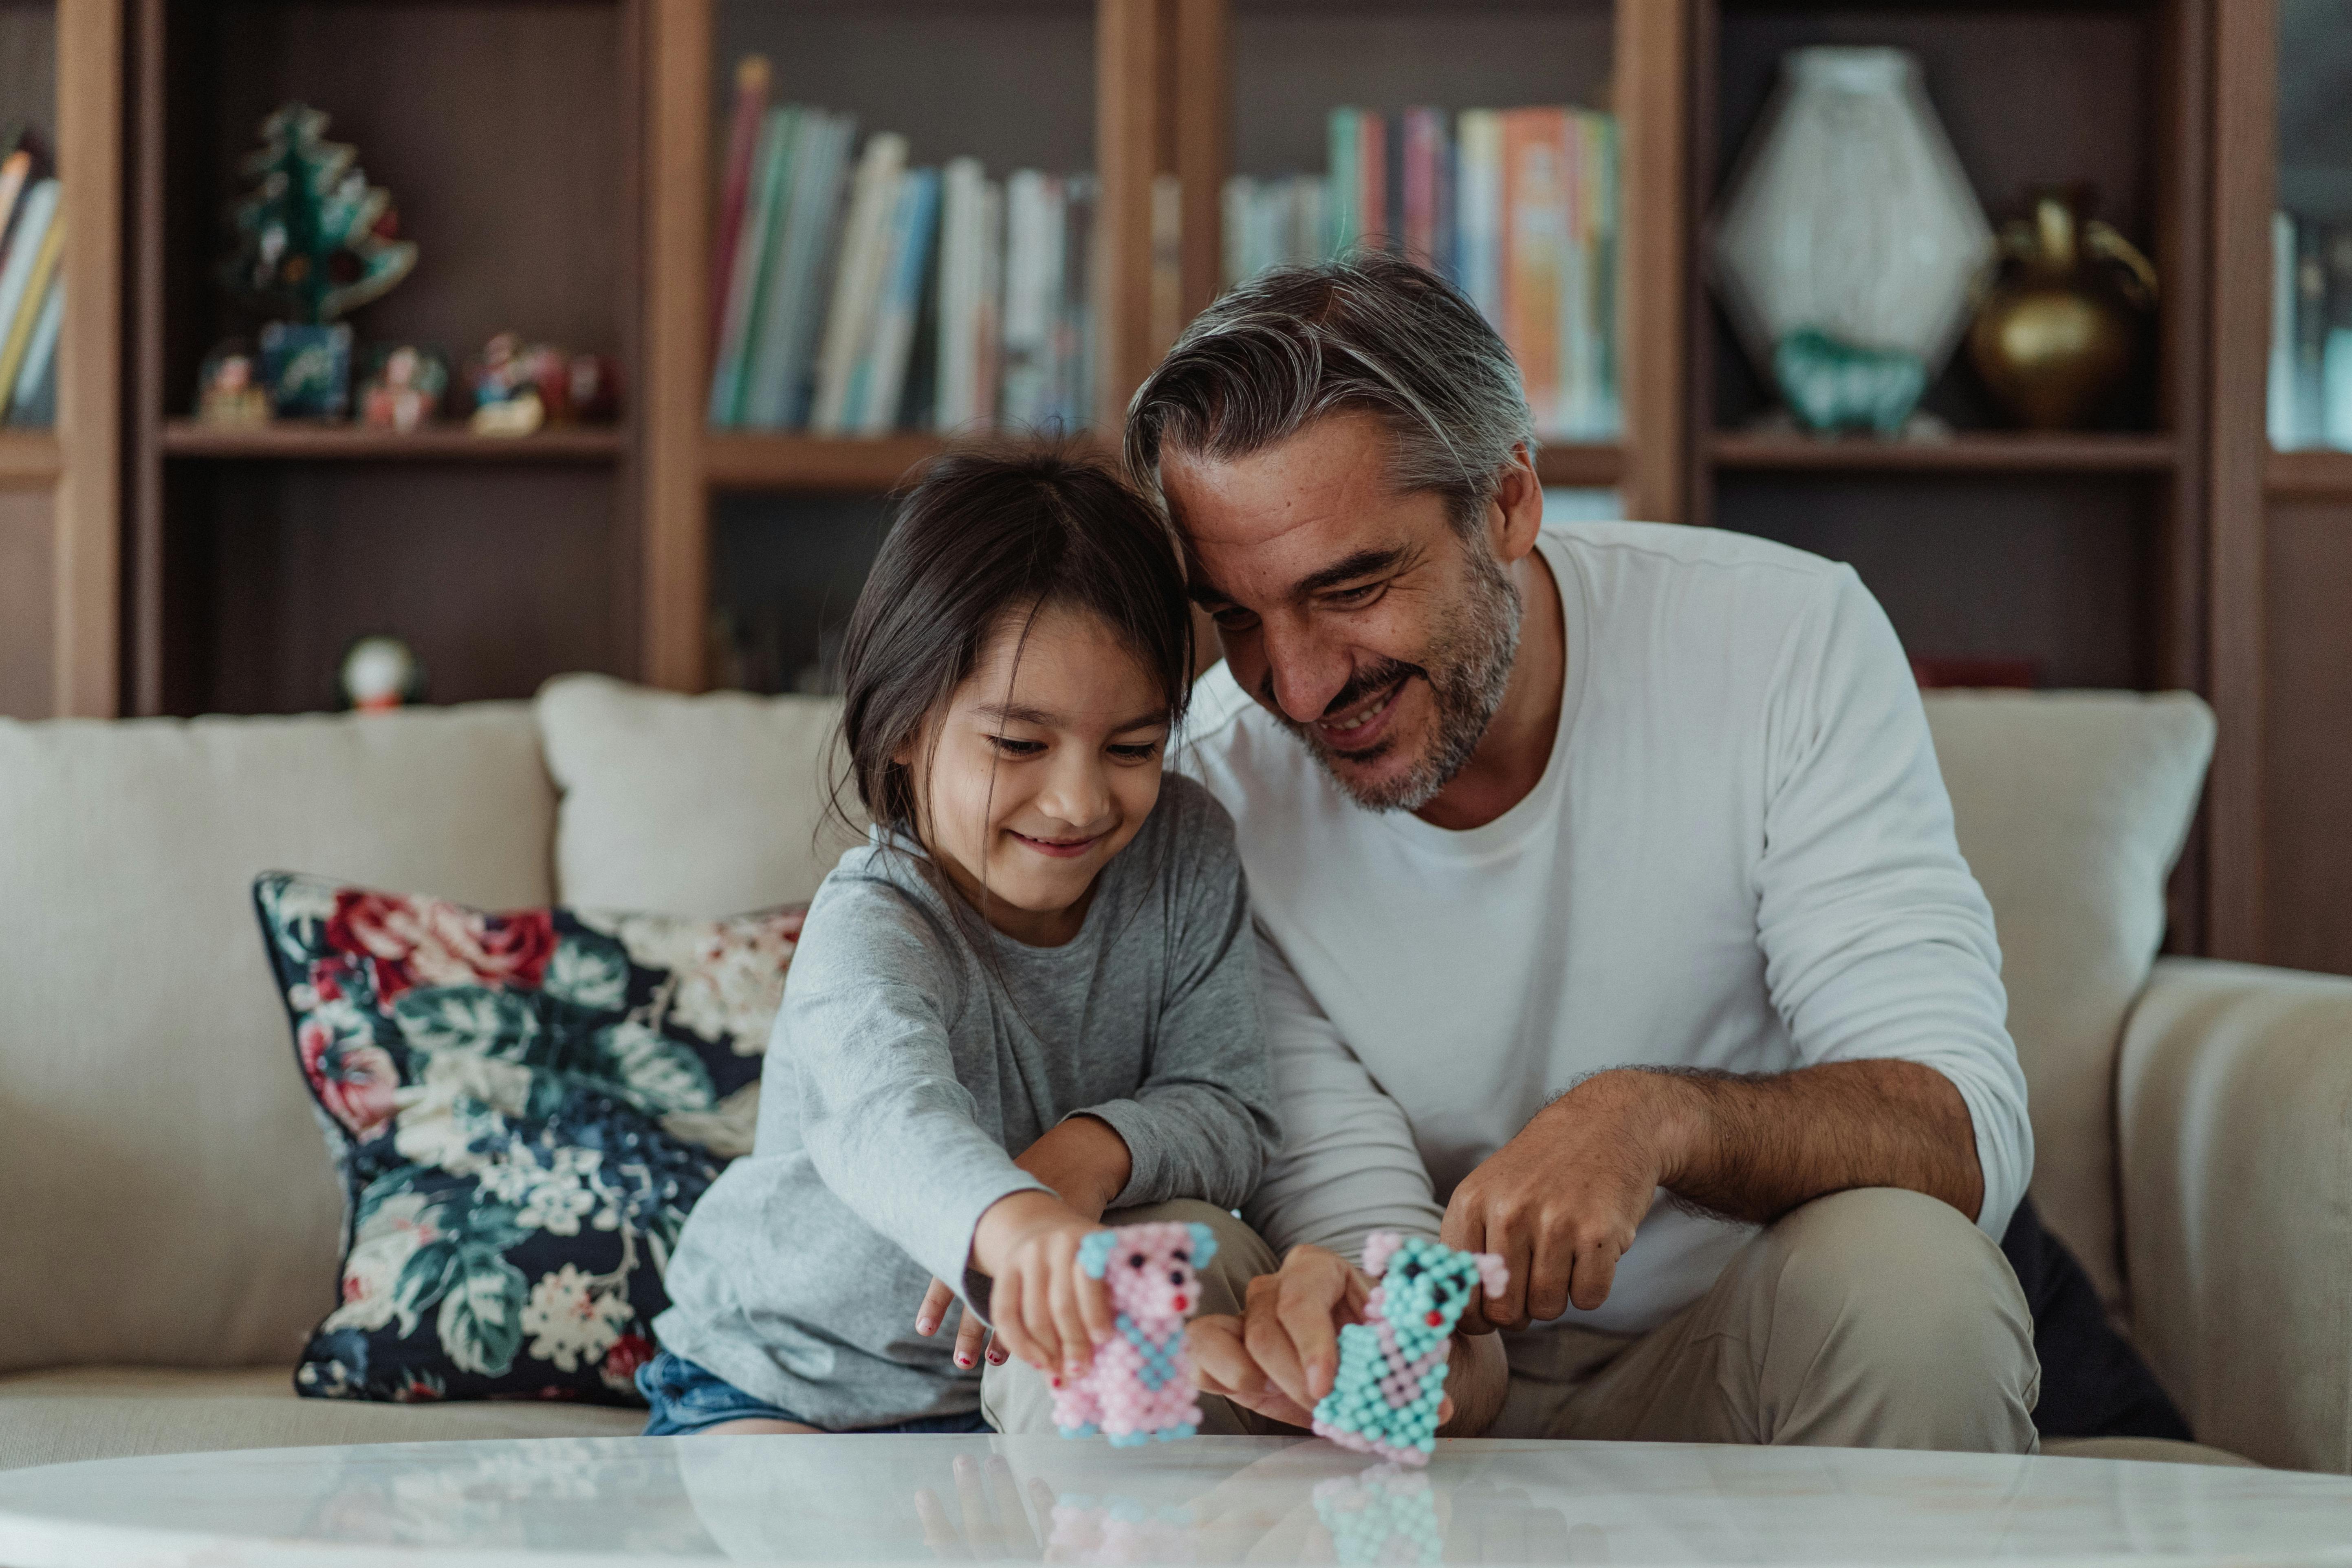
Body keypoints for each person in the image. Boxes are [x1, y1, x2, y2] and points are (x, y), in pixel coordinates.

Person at [982, 255, 2039, 1452]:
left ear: (1509, 504)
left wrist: (1650, 1120)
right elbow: (1369, 1234)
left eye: (1352, 588)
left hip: (1743, 1364)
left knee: (1914, 1274)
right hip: (1438, 1396)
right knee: (1118, 1285)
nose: (1300, 686)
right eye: (1236, 615)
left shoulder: (1783, 639)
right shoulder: (1208, 795)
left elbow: (1965, 1134)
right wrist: (1383, 1342)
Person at [643, 450, 1280, 1436]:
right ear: (904, 723)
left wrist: (1094, 1151)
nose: (1078, 802)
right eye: (1019, 745)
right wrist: (1012, 1221)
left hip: (1005, 1395)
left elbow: (1232, 1106)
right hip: (786, 1377)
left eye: (1132, 747)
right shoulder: (873, 921)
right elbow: (888, 1117)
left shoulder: (1185, 851)